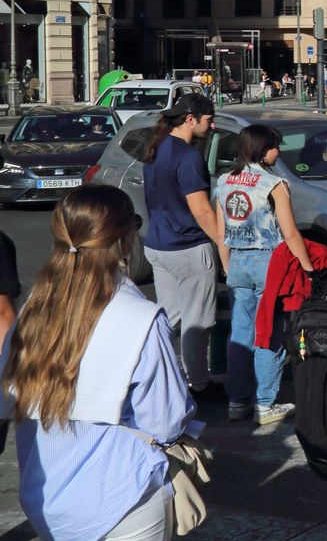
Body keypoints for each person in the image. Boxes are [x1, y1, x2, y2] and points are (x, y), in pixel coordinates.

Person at [0, 186, 195, 541]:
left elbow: (11, 390)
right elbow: (166, 421)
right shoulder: (141, 319)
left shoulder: (32, 312)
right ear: (125, 237)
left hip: (47, 502)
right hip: (123, 496)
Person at [213, 125, 316, 424]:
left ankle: (237, 400)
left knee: (241, 333)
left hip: (237, 262)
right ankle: (265, 403)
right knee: (269, 333)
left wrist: (227, 266)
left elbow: (222, 234)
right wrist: (309, 271)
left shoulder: (224, 181)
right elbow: (291, 233)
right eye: (275, 146)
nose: (278, 151)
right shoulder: (274, 184)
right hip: (269, 263)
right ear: (263, 149)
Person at [140, 92, 225, 394]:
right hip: (188, 247)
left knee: (168, 318)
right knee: (197, 322)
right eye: (209, 120)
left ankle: (152, 376)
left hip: (158, 245)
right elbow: (202, 211)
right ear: (191, 120)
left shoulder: (156, 148)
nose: (212, 126)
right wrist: (224, 251)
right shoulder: (188, 156)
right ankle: (198, 386)